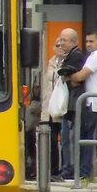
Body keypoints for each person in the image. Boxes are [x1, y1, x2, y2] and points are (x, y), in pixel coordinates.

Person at [70, 29, 97, 178]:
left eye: (92, 41)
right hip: (94, 102)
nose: (88, 44)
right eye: (87, 41)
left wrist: (69, 77)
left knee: (86, 137)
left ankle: (84, 171)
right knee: (86, 137)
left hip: (92, 102)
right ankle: (83, 170)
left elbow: (81, 76)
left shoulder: (96, 56)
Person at [55, 28, 87, 181]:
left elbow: (74, 78)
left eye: (64, 40)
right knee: (66, 138)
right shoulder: (67, 56)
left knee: (70, 138)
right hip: (70, 103)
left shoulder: (77, 56)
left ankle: (71, 169)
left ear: (74, 42)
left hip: (74, 103)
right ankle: (67, 168)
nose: (61, 43)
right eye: (60, 40)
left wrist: (67, 76)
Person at [39, 33, 65, 178]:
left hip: (62, 108)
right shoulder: (50, 62)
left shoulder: (68, 63)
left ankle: (64, 169)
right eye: (57, 45)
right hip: (49, 107)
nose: (60, 47)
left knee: (65, 140)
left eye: (62, 44)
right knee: (51, 140)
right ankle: (53, 170)